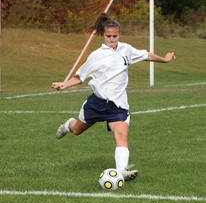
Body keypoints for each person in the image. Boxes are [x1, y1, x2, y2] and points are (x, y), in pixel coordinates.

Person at [52, 13, 175, 181]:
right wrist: (64, 84)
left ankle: (121, 171)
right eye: (108, 36)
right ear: (103, 35)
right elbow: (79, 77)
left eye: (114, 36)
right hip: (96, 103)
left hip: (117, 105)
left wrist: (165, 59)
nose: (111, 39)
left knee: (122, 135)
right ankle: (67, 125)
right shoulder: (96, 55)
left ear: (119, 35)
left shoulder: (126, 49)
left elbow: (146, 55)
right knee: (76, 130)